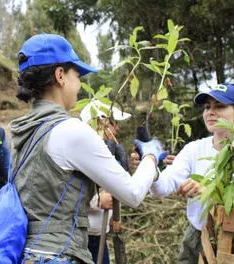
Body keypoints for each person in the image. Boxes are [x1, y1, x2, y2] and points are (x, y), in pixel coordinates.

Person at [10, 33, 166, 264]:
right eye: (77, 75)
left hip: (27, 253)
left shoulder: (22, 130)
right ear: (60, 75)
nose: (79, 85)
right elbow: (132, 193)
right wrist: (151, 157)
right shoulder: (70, 130)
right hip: (60, 255)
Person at [132, 83, 234, 263]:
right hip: (197, 235)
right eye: (207, 107)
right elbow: (163, 188)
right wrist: (150, 166)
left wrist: (210, 191)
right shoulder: (194, 149)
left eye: (219, 106)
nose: (210, 112)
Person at [80, 100, 131, 264]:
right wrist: (97, 200)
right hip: (80, 237)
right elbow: (66, 192)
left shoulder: (107, 150)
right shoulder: (81, 151)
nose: (117, 128)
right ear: (99, 123)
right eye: (113, 123)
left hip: (98, 234)